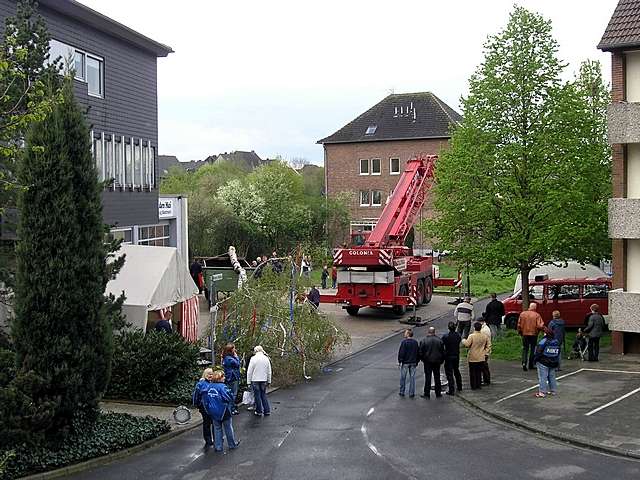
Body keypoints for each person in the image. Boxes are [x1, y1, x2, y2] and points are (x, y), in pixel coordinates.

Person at [203, 370, 240, 451]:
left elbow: (205, 400)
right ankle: (232, 444)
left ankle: (218, 446)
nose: (225, 378)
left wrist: (208, 410)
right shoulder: (223, 387)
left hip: (213, 411)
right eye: (223, 376)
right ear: (219, 378)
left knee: (217, 428)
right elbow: (228, 397)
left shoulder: (209, 387)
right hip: (224, 410)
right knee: (228, 427)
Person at [418, 326, 445, 399]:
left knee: (428, 377)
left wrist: (423, 359)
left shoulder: (424, 341)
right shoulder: (439, 341)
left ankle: (427, 393)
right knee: (437, 377)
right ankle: (438, 393)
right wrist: (441, 360)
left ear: (428, 332)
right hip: (437, 361)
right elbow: (443, 352)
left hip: (427, 361)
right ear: (434, 332)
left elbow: (420, 352)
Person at [533, 328, 560, 398]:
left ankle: (542, 392)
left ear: (546, 333)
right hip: (553, 362)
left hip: (543, 362)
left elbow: (538, 352)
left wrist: (535, 360)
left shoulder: (543, 341)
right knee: (552, 377)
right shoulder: (556, 341)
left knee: (543, 377)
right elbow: (558, 352)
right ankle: (553, 390)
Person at [462, 322, 490, 390]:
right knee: (479, 372)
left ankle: (473, 386)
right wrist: (485, 353)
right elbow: (488, 346)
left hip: (472, 357)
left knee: (472, 372)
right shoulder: (484, 336)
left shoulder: (472, 336)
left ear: (474, 328)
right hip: (481, 357)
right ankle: (478, 385)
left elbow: (467, 344)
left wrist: (463, 340)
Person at [517, 303, 544, 371]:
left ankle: (524, 362)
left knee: (525, 348)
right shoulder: (537, 315)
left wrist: (520, 332)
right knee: (533, 349)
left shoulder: (522, 314)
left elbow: (519, 325)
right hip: (533, 334)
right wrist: (541, 330)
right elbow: (540, 325)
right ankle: (531, 364)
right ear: (535, 308)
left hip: (525, 334)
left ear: (529, 307)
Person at [192, 368, 215, 447]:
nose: (210, 375)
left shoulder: (214, 382)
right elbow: (196, 395)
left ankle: (216, 438)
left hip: (213, 406)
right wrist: (197, 404)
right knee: (207, 423)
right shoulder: (200, 384)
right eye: (209, 374)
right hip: (204, 406)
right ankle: (208, 440)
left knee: (214, 423)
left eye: (211, 374)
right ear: (205, 374)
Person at [247, 345, 272, 416]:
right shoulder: (266, 358)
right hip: (264, 379)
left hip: (255, 379)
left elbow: (249, 371)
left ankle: (259, 411)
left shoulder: (253, 359)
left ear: (255, 351)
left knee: (257, 395)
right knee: (263, 394)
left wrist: (248, 382)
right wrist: (269, 380)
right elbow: (269, 371)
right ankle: (267, 410)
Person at [442, 321, 463, 395]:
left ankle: (451, 389)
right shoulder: (458, 335)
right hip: (456, 355)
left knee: (449, 373)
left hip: (448, 356)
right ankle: (460, 386)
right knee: (456, 371)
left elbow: (442, 345)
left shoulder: (446, 336)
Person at [397, 329, 419, 397]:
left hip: (405, 362)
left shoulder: (404, 342)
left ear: (408, 334)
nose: (404, 334)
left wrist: (400, 361)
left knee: (403, 377)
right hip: (413, 362)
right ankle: (411, 393)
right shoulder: (415, 342)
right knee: (412, 378)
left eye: (405, 333)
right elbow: (418, 352)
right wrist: (417, 361)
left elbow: (402, 352)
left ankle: (402, 391)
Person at [222, 343, 241, 415]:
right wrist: (236, 357)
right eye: (234, 348)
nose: (235, 350)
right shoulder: (230, 359)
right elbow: (237, 364)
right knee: (233, 394)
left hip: (228, 377)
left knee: (230, 393)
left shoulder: (225, 357)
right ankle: (231, 409)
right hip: (233, 377)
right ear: (231, 350)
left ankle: (230, 408)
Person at [480, 316, 492, 385]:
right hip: (486, 351)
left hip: (484, 351)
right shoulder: (485, 328)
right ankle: (486, 380)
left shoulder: (484, 330)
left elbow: (484, 342)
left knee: (484, 366)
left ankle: (486, 380)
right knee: (484, 366)